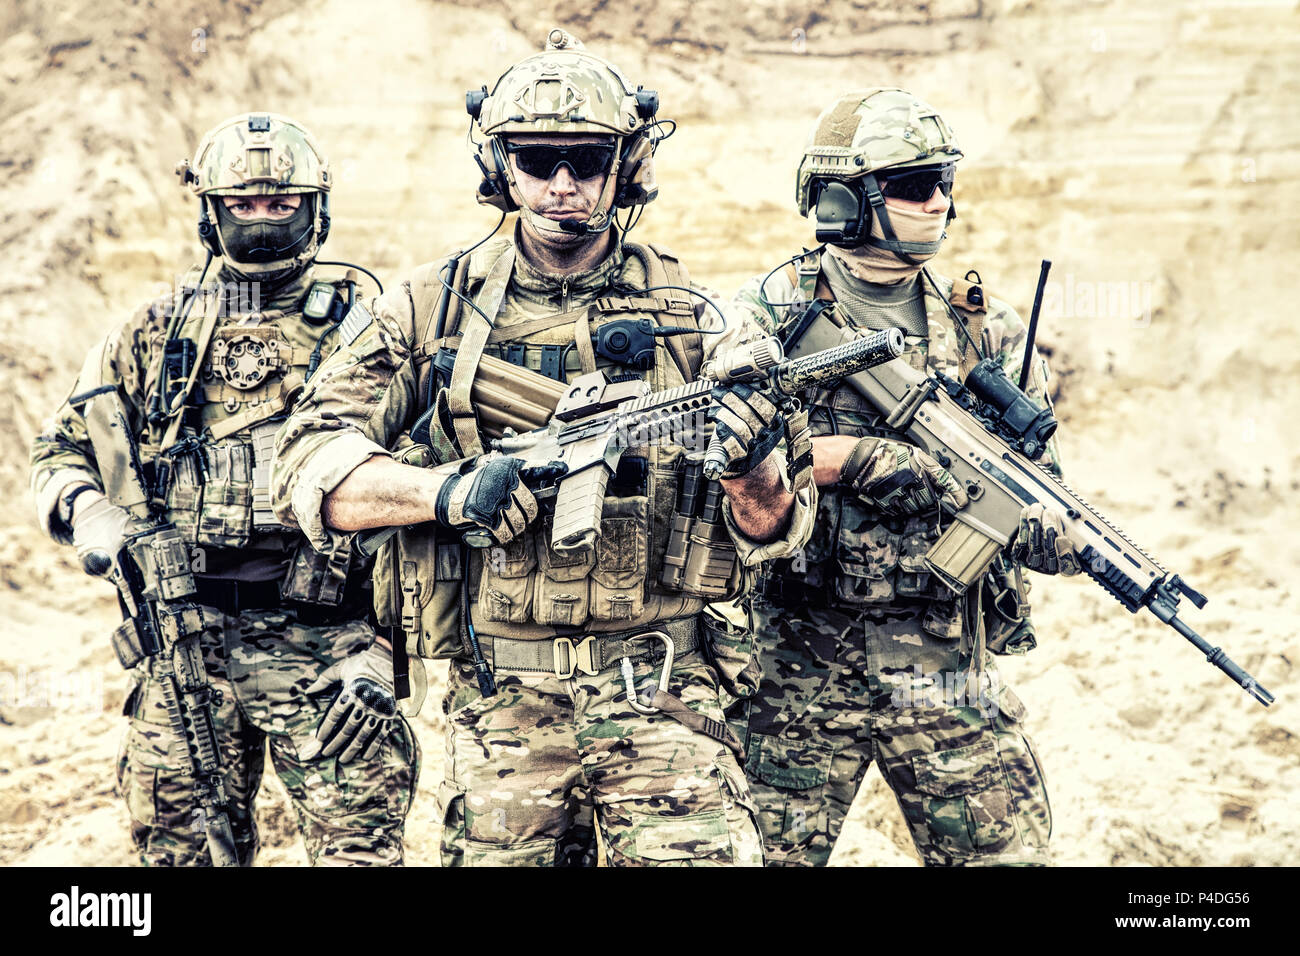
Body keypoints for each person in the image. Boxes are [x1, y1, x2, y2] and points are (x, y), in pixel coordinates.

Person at [272, 30, 814, 866]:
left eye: (588, 161)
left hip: (665, 693)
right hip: (502, 707)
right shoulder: (429, 312)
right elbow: (310, 469)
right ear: (500, 169)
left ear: (626, 168)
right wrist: (448, 494)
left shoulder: (705, 322)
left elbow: (780, 523)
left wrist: (751, 466)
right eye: (536, 160)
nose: (563, 185)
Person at [30, 112, 418, 866]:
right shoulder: (153, 333)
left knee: (359, 856)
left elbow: (420, 495)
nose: (264, 222)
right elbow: (62, 448)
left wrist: (382, 650)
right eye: (243, 204)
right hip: (186, 646)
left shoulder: (373, 332)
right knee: (179, 857)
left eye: (282, 204)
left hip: (332, 645)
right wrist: (92, 512)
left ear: (317, 209)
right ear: (211, 210)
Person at [727, 88, 1079, 866]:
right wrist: (861, 461)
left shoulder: (981, 329)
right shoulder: (767, 316)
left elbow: (1045, 501)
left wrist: (1046, 526)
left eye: (944, 182)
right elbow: (723, 480)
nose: (939, 202)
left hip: (945, 666)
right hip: (796, 664)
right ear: (845, 199)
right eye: (916, 185)